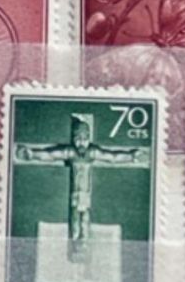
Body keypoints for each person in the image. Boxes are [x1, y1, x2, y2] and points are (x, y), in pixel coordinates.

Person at [15, 111, 147, 259]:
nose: (81, 142)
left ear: (89, 138)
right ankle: (76, 246)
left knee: (84, 220)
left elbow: (113, 157)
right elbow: (50, 155)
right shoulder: (70, 152)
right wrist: (32, 154)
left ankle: (83, 245)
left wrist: (132, 157)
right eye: (77, 138)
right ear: (73, 138)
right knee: (75, 222)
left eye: (84, 139)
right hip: (75, 194)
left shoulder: (92, 152)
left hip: (86, 194)